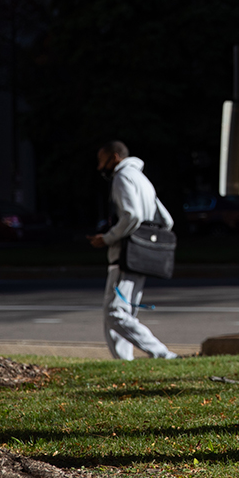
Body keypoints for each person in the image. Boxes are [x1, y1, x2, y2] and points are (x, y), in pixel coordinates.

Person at [87, 141, 178, 361]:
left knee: (114, 313)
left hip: (125, 255)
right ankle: (124, 362)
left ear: (115, 157)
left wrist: (108, 238)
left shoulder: (122, 177)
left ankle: (163, 354)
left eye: (102, 161)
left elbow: (132, 215)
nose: (100, 168)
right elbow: (167, 220)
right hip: (142, 254)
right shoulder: (142, 179)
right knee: (124, 312)